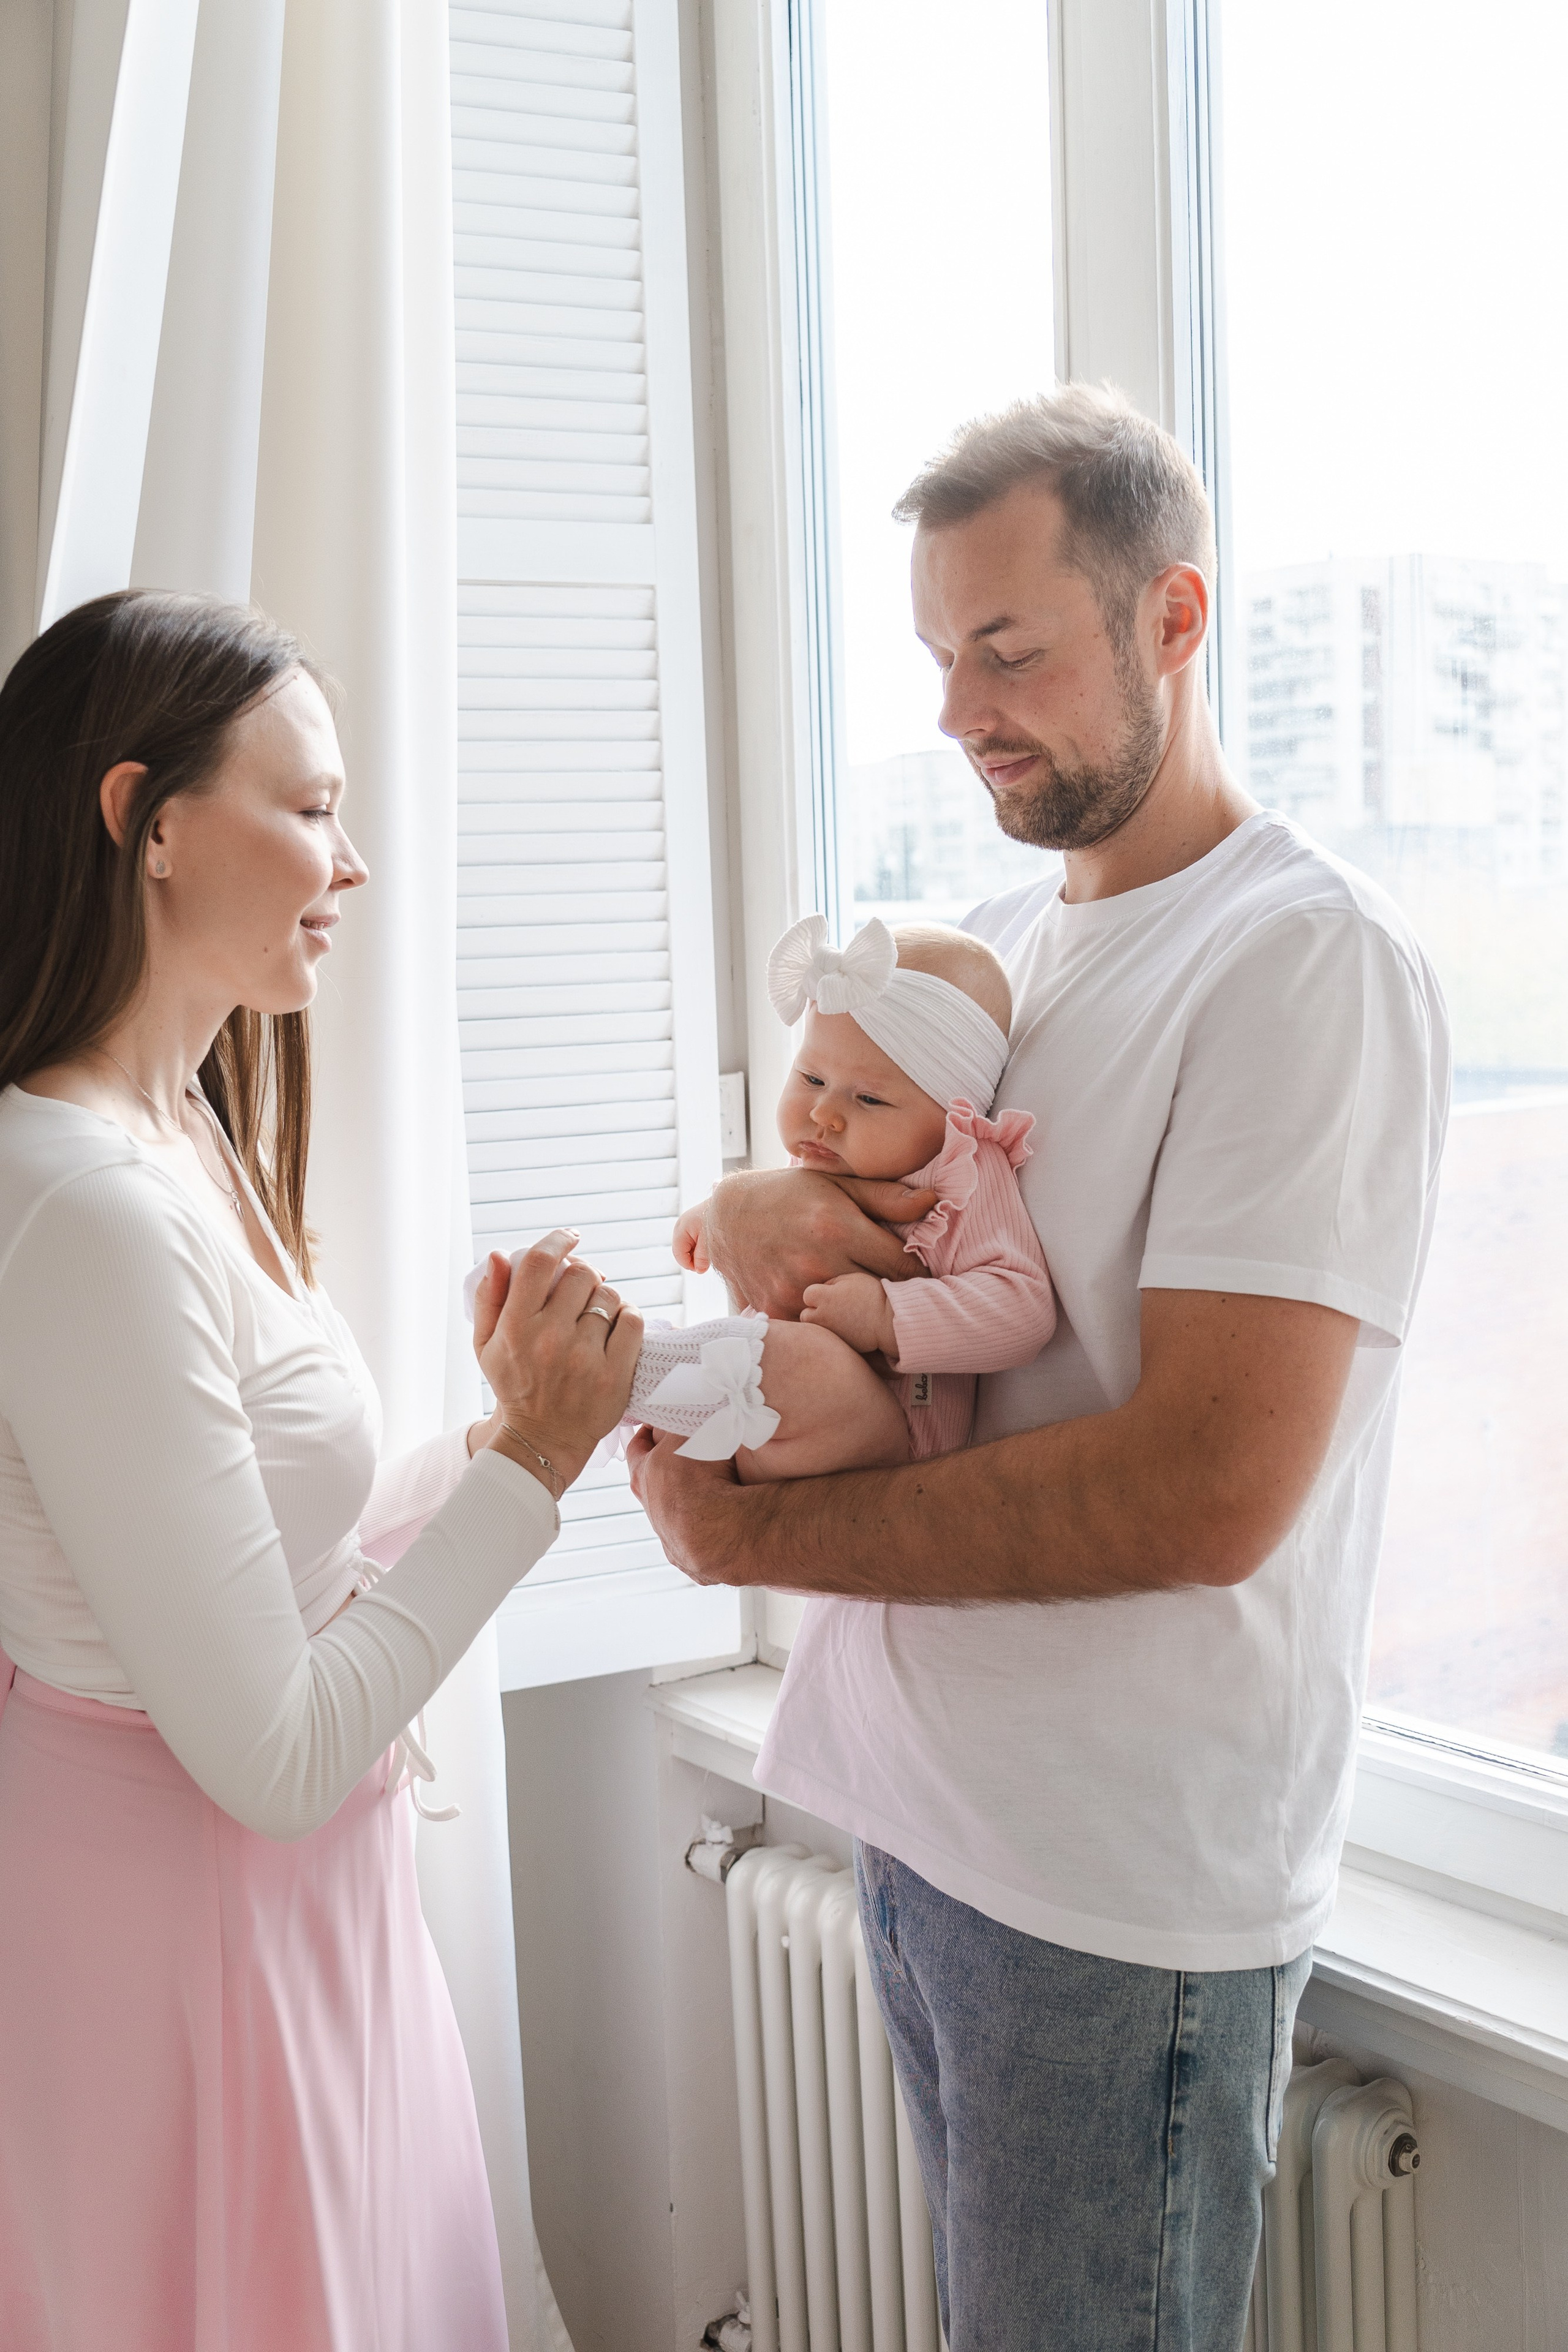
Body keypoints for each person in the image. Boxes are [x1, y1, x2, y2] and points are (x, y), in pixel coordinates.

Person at [630, 385, 1450, 2350]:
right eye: (937, 656)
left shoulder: (1302, 965)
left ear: (1173, 618)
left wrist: (776, 1541)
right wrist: (763, 1224)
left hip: (1116, 1898)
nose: (961, 710)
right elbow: (882, 1237)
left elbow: (1205, 1490)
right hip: (930, 1832)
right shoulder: (994, 951)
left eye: (1010, 651)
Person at [0, 590, 641, 2352]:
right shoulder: (81, 1203)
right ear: (147, 820)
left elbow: (284, 1548)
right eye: (309, 807)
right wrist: (529, 1472)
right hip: (188, 1938)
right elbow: (274, 1751)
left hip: (283, 1925)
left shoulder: (178, 1126)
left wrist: (518, 1421)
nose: (347, 863)